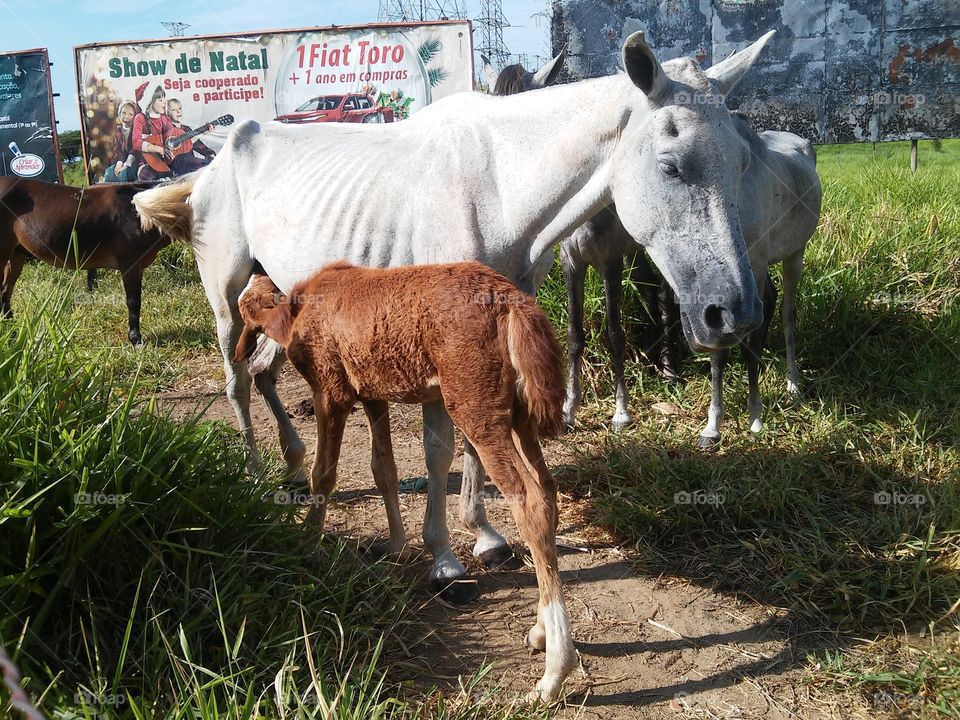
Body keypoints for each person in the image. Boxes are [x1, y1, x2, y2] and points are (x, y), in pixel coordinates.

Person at [132, 85, 176, 181]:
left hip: (163, 163)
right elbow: (136, 142)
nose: (164, 103)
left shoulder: (164, 120)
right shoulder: (140, 118)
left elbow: (172, 137)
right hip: (146, 164)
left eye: (164, 100)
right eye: (160, 100)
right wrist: (158, 149)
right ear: (150, 102)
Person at [165, 98, 216, 174]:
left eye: (180, 108)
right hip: (176, 164)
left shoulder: (186, 129)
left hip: (189, 165)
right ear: (167, 114)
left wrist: (210, 154)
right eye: (174, 110)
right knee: (185, 159)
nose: (178, 111)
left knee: (212, 163)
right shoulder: (166, 129)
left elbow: (198, 145)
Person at [103, 101, 139, 182]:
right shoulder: (118, 131)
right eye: (124, 113)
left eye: (131, 114)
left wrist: (126, 164)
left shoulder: (136, 131)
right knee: (108, 173)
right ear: (119, 115)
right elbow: (117, 149)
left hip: (133, 162)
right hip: (121, 161)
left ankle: (125, 193)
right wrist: (119, 163)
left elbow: (135, 150)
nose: (127, 116)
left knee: (124, 173)